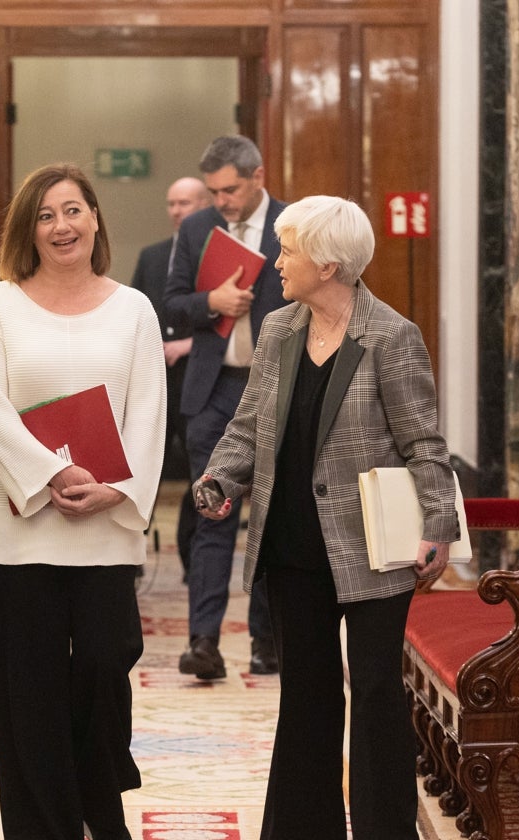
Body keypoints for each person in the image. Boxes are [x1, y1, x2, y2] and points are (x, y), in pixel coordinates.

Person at [192, 195, 456, 839]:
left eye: (288, 251)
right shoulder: (280, 328)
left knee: (373, 695)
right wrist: (220, 476)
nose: (276, 263)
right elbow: (250, 423)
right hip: (291, 542)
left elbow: (424, 442)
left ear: (330, 264)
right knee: (306, 699)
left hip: (374, 544)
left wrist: (437, 527)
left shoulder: (391, 336)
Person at [0, 163, 165, 840]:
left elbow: (147, 411)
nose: (62, 226)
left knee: (108, 665)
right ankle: (46, 827)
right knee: (29, 695)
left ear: (95, 220)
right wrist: (47, 478)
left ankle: (97, 803)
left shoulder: (134, 307)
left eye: (74, 210)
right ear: (29, 230)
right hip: (21, 530)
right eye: (47, 215)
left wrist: (117, 487)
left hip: (106, 527)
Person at [162, 135, 285, 679]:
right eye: (214, 192)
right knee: (211, 513)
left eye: (231, 190)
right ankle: (203, 643)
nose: (223, 202)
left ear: (258, 176)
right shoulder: (196, 229)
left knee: (272, 520)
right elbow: (170, 304)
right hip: (213, 394)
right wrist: (210, 303)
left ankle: (266, 639)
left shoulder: (293, 225)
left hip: (276, 391)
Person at [131, 176, 210, 578]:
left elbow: (232, 323)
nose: (177, 210)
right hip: (155, 379)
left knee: (204, 469)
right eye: (172, 203)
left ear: (205, 205)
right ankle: (130, 552)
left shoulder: (216, 255)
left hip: (201, 379)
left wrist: (189, 346)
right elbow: (132, 313)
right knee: (142, 465)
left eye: (186, 203)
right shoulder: (152, 256)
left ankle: (194, 557)